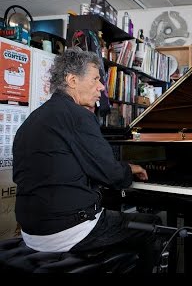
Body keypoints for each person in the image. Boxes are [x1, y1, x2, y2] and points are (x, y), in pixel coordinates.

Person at [13, 46, 163, 273]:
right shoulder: (78, 116)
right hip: (66, 231)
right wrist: (128, 169)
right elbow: (113, 176)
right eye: (95, 79)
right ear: (72, 80)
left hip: (31, 231)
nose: (102, 87)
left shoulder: (33, 119)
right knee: (152, 226)